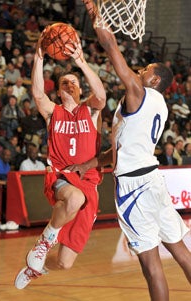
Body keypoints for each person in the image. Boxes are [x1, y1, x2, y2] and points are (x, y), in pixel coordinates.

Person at [80, 1, 191, 300]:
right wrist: (92, 162)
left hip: (134, 188)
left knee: (151, 265)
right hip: (153, 181)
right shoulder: (161, 106)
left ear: (154, 80)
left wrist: (97, 16)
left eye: (144, 70)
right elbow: (122, 147)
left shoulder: (140, 93)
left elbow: (112, 47)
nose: (138, 72)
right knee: (181, 251)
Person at [14, 28, 106, 289]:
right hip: (61, 176)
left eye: (73, 82)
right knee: (74, 197)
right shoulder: (53, 113)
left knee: (65, 262)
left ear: (79, 88)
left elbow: (101, 96)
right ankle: (44, 241)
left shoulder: (90, 111)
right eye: (64, 82)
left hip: (89, 182)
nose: (69, 84)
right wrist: (39, 57)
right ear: (59, 89)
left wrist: (81, 63)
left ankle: (36, 269)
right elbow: (37, 94)